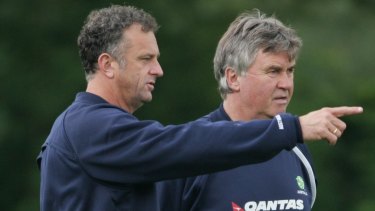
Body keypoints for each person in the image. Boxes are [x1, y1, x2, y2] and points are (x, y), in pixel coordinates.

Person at [36, 5, 363, 211]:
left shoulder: (99, 130)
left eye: (289, 71)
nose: (159, 70)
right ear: (107, 64)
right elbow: (180, 145)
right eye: (146, 59)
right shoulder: (89, 128)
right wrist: (290, 128)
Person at [155, 10, 363, 211]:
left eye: (290, 71)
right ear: (233, 78)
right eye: (273, 71)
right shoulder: (190, 150)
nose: (286, 84)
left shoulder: (296, 149)